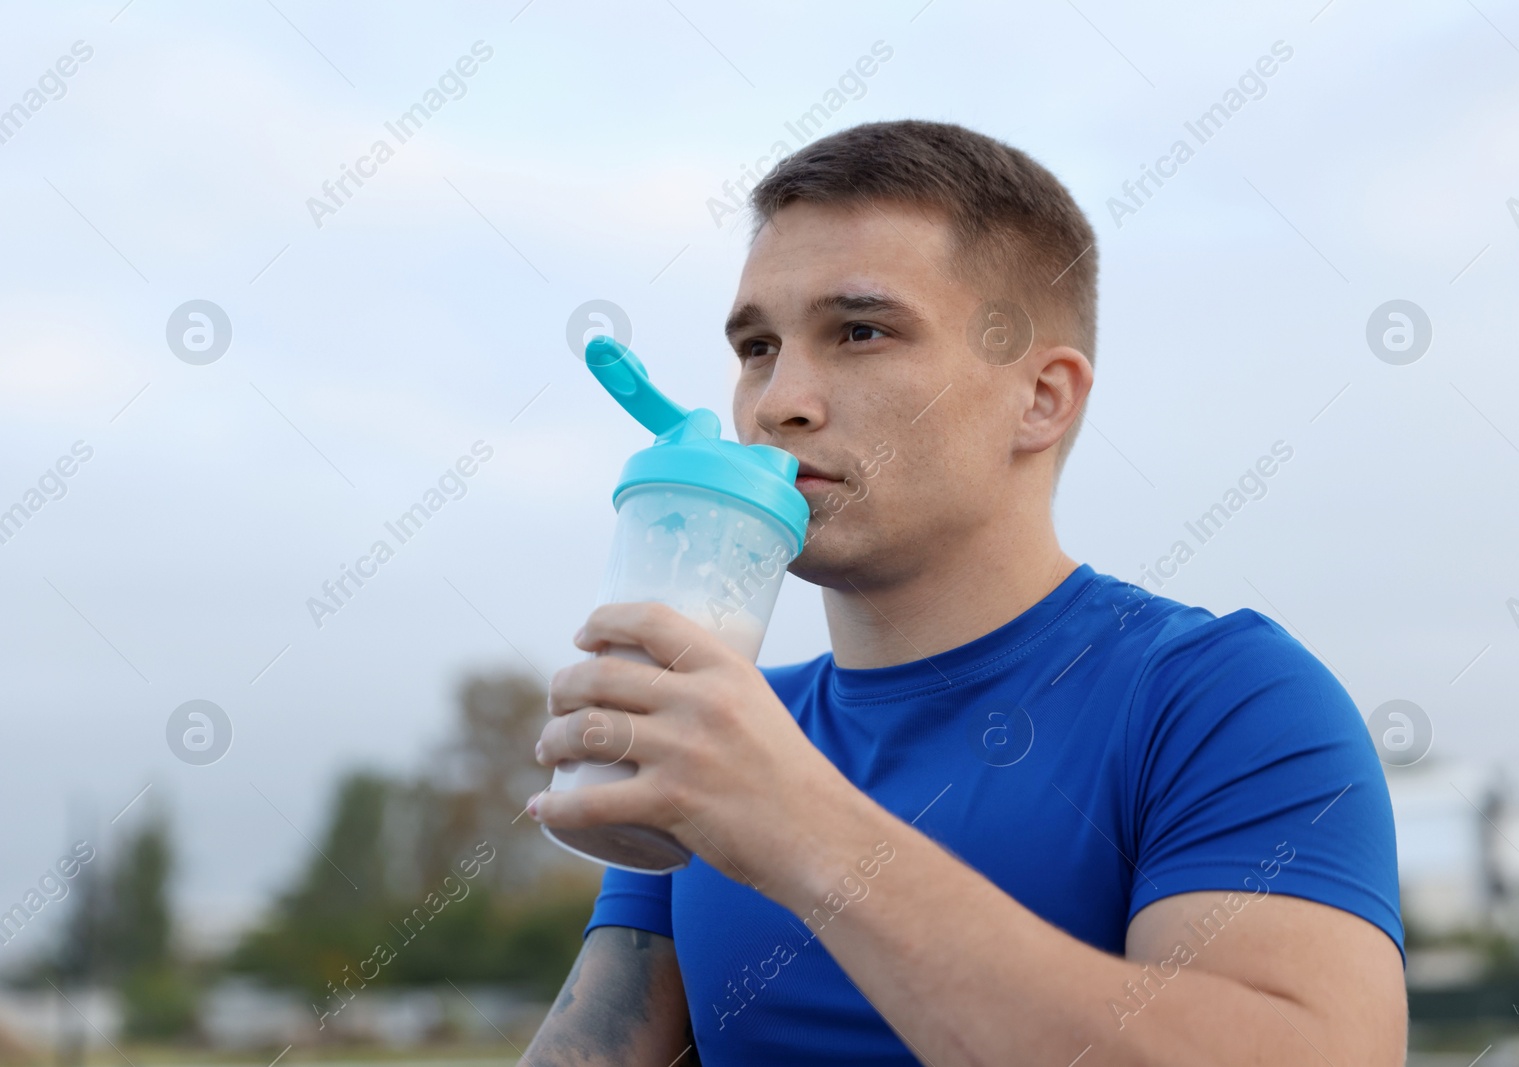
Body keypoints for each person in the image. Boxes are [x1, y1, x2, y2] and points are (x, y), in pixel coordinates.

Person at [522, 119, 1406, 1065]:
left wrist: (799, 825)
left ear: (1042, 398)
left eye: (860, 331)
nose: (780, 400)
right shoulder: (730, 729)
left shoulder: (1223, 699)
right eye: (757, 346)